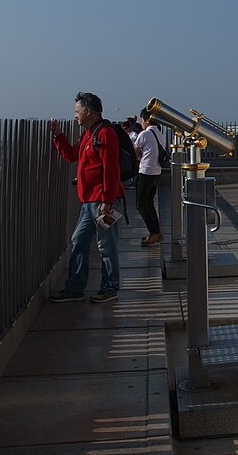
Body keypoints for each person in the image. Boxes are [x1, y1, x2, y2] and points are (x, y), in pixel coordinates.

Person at [48, 91, 125, 303]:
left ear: (88, 111)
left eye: (77, 111)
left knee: (106, 246)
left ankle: (109, 288)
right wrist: (58, 136)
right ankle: (74, 288)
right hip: (89, 202)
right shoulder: (89, 134)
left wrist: (107, 202)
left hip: (102, 203)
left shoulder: (105, 133)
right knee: (78, 240)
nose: (75, 115)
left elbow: (111, 169)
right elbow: (73, 155)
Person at [133, 107, 165, 246]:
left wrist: (139, 156)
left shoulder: (144, 134)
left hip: (145, 172)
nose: (141, 123)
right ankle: (155, 232)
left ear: (146, 120)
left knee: (140, 204)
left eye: (142, 120)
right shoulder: (160, 134)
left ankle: (154, 232)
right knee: (149, 203)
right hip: (156, 172)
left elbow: (135, 151)